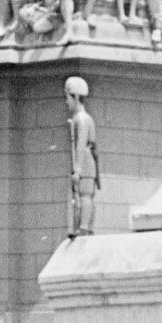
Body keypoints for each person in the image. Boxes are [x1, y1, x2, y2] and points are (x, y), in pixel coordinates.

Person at [64, 75, 100, 235]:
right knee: (84, 196)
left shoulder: (82, 119)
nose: (66, 102)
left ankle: (84, 227)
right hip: (87, 160)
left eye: (68, 98)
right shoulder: (84, 118)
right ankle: (83, 226)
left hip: (85, 161)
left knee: (85, 196)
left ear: (76, 97)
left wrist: (77, 169)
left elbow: (81, 143)